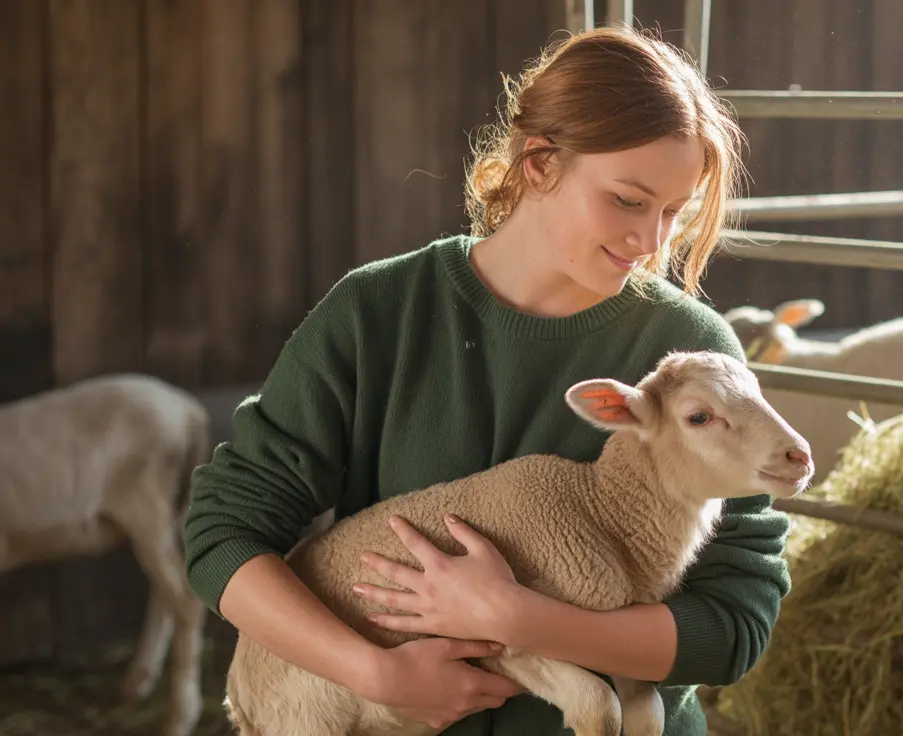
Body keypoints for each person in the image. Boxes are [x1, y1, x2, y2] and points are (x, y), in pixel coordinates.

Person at [182, 24, 791, 735]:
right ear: (539, 163)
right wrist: (374, 675)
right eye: (628, 200)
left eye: (673, 212)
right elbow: (224, 530)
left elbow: (736, 621)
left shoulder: (688, 358)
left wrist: (520, 619)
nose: (653, 241)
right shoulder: (378, 313)